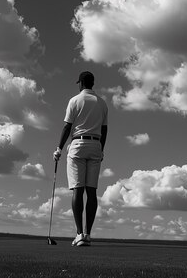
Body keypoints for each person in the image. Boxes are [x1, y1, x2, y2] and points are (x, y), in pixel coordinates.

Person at [53, 71, 108, 247]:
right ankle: (88, 235)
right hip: (95, 145)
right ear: (92, 83)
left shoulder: (75, 100)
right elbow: (104, 130)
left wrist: (59, 149)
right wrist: (101, 149)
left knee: (78, 189)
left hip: (78, 145)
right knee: (91, 191)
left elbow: (67, 127)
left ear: (81, 83)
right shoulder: (102, 103)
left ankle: (78, 234)